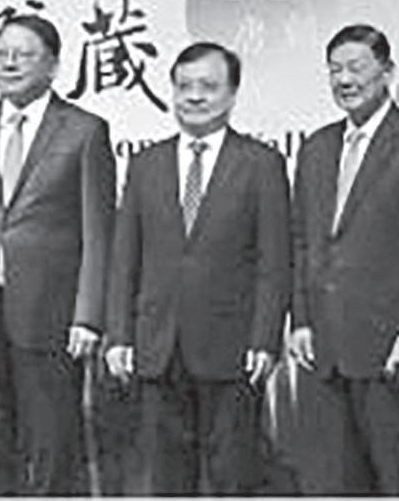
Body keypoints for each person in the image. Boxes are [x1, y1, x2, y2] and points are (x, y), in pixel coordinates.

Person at [0, 14, 116, 494]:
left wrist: (89, 316)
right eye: (1, 53)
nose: (9, 63)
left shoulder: (84, 130)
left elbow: (98, 233)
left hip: (51, 315)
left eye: (24, 54)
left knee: (51, 445)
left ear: (53, 65)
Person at [104, 42, 290, 494]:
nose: (194, 96)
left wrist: (265, 338)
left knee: (233, 477)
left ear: (232, 93)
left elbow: (274, 262)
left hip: (232, 348)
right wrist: (120, 335)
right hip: (157, 345)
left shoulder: (261, 164)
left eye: (208, 86)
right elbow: (125, 257)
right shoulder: (146, 164)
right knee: (165, 479)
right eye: (184, 85)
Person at [289, 23, 399, 494]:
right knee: (331, 483)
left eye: (356, 67)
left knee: (398, 478)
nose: (344, 79)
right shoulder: (316, 148)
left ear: (387, 71)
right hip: (323, 351)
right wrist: (301, 320)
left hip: (389, 349)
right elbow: (302, 242)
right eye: (334, 70)